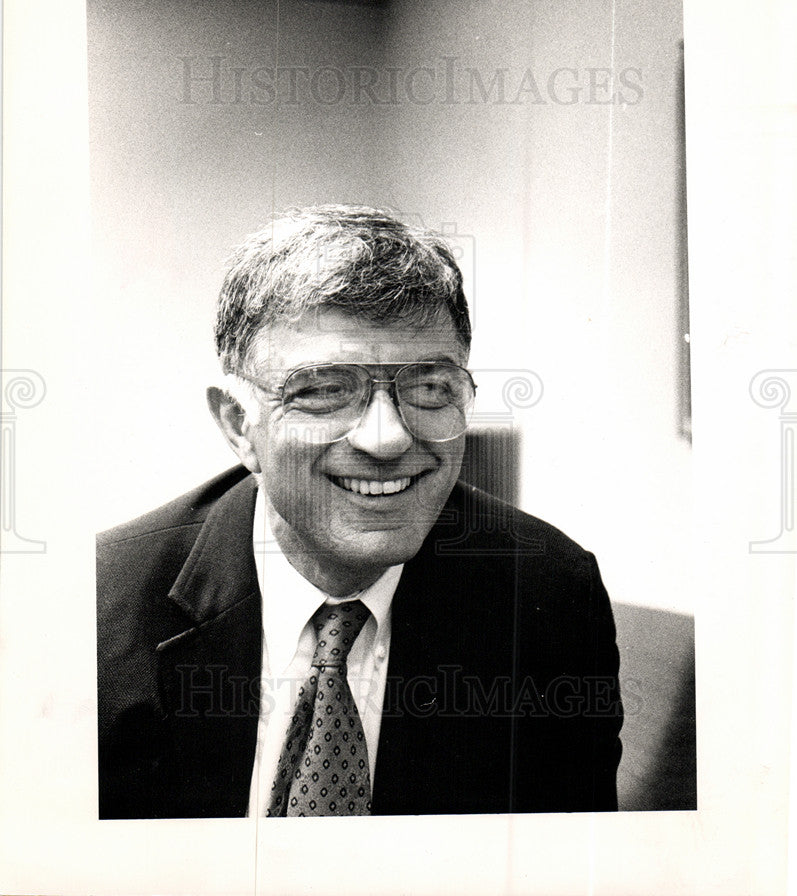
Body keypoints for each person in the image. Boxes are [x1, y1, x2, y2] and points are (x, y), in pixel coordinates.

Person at [97, 204, 623, 818]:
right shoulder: (97, 604)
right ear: (240, 425)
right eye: (323, 391)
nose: (387, 438)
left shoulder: (550, 595)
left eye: (429, 388)